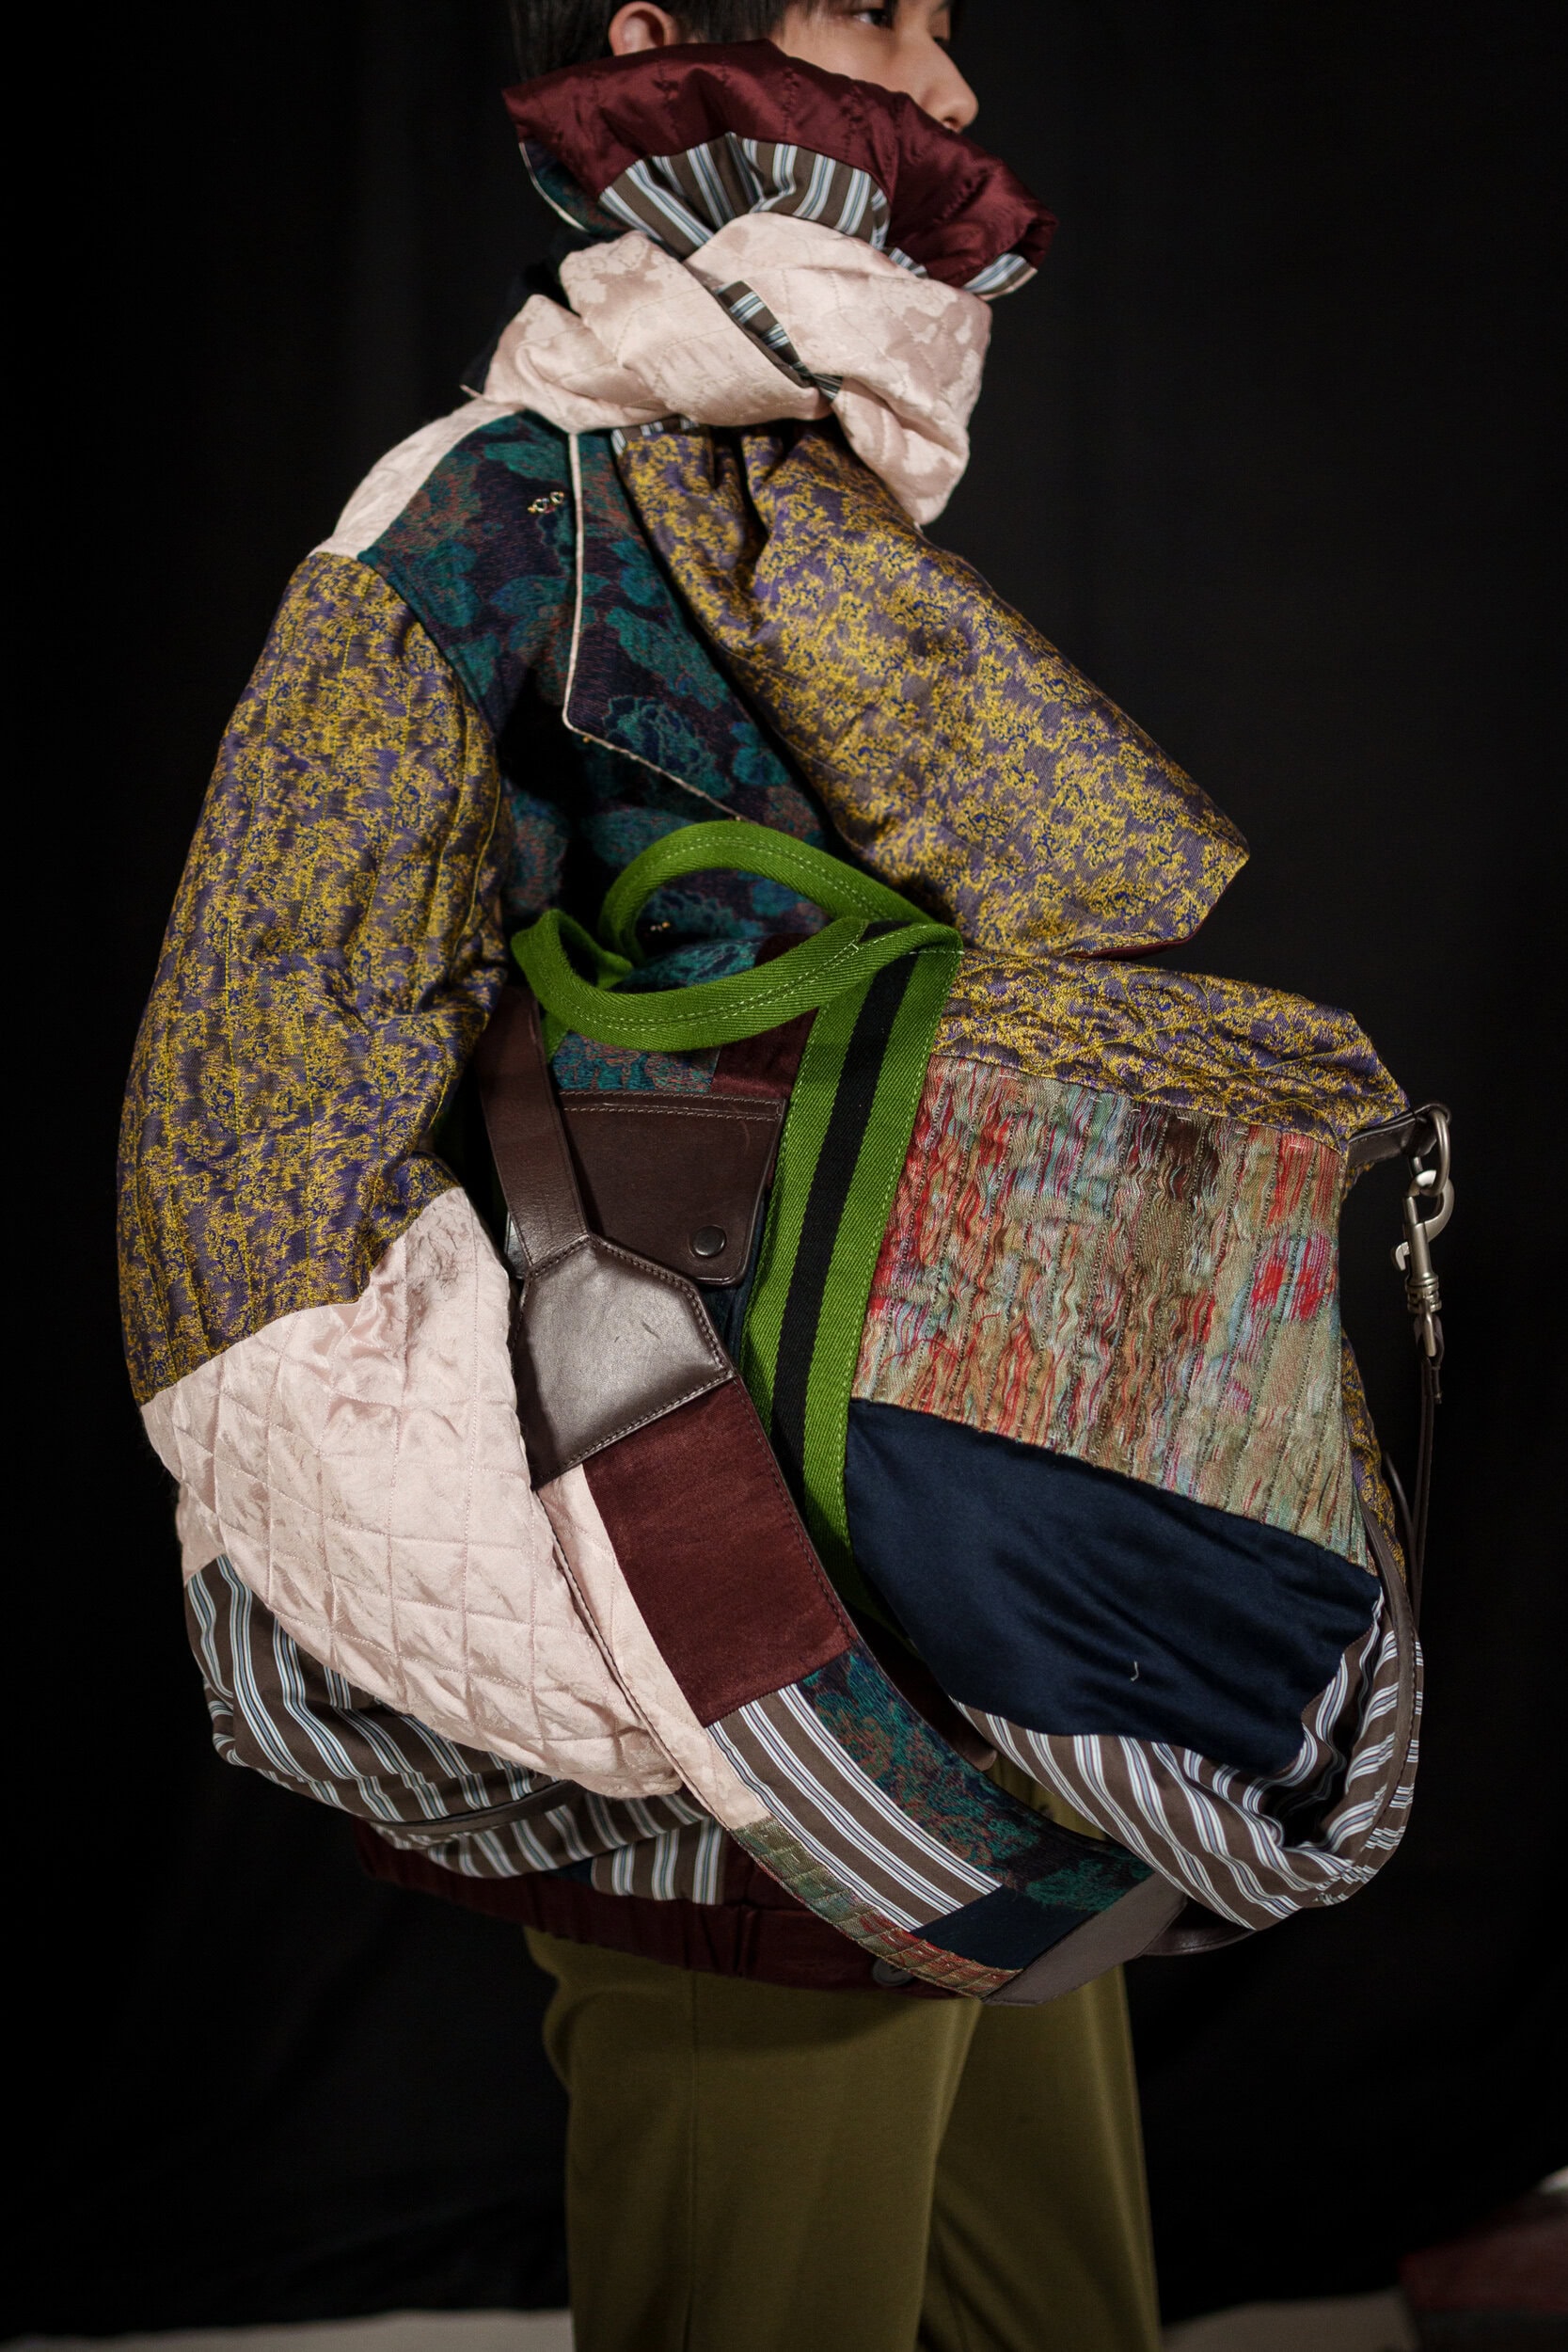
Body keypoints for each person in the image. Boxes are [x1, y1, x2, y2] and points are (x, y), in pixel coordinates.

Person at [119, 2, 1257, 2342]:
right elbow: (245, 1166)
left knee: (1057, 2287)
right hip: (708, 1605)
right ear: (656, 34)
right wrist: (611, 1611)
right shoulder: (475, 525)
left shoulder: (782, 508)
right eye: (881, 13)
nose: (949, 91)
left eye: (955, 30)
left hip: (958, 1592)